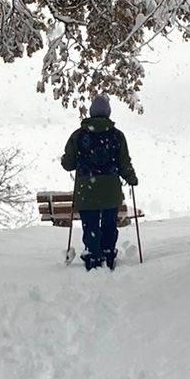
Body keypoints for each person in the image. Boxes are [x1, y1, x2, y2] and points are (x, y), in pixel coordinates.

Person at [61, 93, 138, 271]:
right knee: (109, 224)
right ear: (108, 113)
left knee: (91, 225)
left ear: (91, 112)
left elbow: (68, 165)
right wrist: (131, 178)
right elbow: (124, 163)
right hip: (110, 189)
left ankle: (93, 256)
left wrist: (66, 159)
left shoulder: (78, 135)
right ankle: (108, 254)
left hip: (86, 189)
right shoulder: (117, 136)